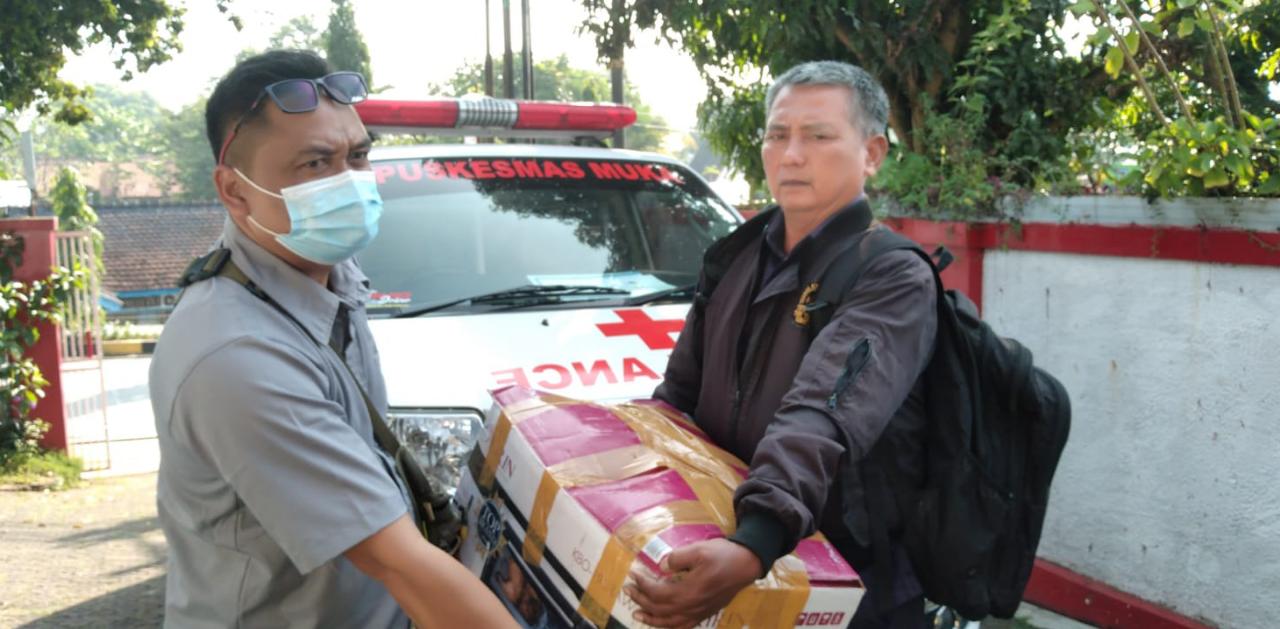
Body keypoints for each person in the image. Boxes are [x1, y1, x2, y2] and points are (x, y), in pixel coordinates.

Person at [149, 50, 517, 629]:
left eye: (359, 155)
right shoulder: (236, 353)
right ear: (235, 191)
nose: (349, 182)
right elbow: (400, 565)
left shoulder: (327, 283)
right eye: (315, 164)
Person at [624, 60, 937, 628]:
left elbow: (821, 413)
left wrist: (756, 540)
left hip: (847, 579)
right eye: (777, 134)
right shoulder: (735, 256)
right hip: (735, 554)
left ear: (872, 154)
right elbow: (677, 397)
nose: (791, 154)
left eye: (818, 136)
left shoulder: (891, 276)